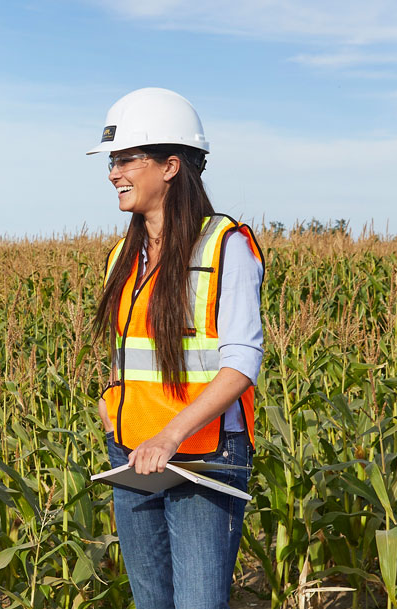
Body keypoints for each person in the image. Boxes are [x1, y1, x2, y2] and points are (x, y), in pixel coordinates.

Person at [89, 88, 265, 609]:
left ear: (170, 166)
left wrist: (170, 436)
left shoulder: (224, 246)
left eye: (125, 160)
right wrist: (111, 403)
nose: (113, 173)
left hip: (203, 457)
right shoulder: (124, 253)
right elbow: (129, 353)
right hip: (132, 454)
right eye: (111, 162)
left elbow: (241, 363)